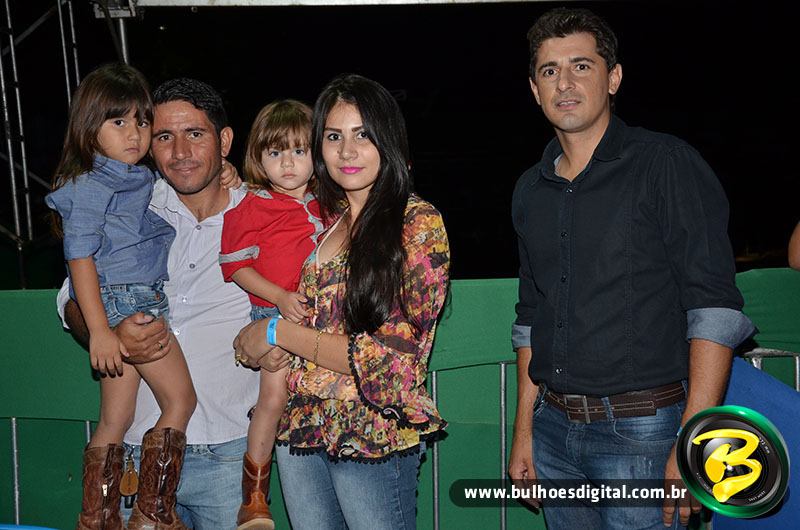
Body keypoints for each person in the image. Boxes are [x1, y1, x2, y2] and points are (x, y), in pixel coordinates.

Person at [507, 8, 755, 530]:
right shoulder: (530, 190)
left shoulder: (666, 164)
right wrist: (524, 431)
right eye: (550, 70)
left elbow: (713, 309)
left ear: (614, 77)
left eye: (581, 65)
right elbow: (531, 318)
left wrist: (692, 442)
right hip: (551, 432)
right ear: (534, 89)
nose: (565, 83)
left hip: (645, 434)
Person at [233, 74, 449, 530]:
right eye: (334, 137)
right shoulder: (329, 223)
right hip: (301, 429)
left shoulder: (415, 222)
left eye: (362, 135)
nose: (347, 151)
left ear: (387, 140)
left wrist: (273, 331)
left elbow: (388, 361)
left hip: (370, 432)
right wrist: (268, 348)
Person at [60, 77, 259, 529]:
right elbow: (70, 299)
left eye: (196, 134)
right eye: (165, 136)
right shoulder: (129, 201)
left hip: (228, 453)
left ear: (225, 141)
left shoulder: (262, 215)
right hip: (132, 454)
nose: (180, 151)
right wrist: (108, 333)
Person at [46, 63, 196, 530]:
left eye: (142, 121)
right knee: (180, 402)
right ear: (89, 127)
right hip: (130, 302)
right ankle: (152, 513)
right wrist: (100, 332)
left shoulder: (127, 177)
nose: (135, 133)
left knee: (116, 419)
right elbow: (79, 258)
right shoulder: (92, 184)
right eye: (118, 121)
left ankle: (98, 520)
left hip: (126, 300)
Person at [219, 99, 323, 529]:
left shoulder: (330, 201)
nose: (288, 163)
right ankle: (255, 497)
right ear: (259, 157)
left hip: (326, 317)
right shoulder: (252, 206)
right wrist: (279, 297)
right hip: (274, 315)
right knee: (273, 399)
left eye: (299, 150)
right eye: (276, 152)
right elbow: (235, 266)